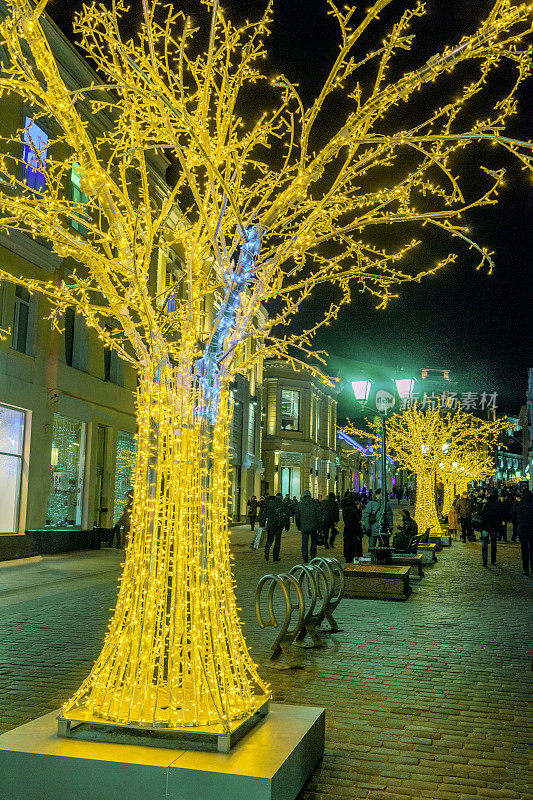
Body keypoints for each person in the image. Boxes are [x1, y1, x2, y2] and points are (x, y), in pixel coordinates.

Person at [295, 490, 321, 563]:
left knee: (304, 543)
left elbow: (297, 516)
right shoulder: (314, 503)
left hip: (304, 527)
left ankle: (305, 558)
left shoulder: (300, 504)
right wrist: (320, 526)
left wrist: (298, 526)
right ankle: (313, 557)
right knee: (313, 543)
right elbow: (319, 515)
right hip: (314, 526)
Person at [264, 492, 288, 562]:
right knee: (277, 542)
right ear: (281, 498)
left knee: (270, 539)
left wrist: (262, 523)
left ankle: (267, 549)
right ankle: (275, 557)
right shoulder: (282, 505)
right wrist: (287, 526)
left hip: (270, 525)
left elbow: (265, 513)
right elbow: (286, 516)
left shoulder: (270, 504)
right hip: (279, 526)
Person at [342, 492, 363, 563]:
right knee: (353, 550)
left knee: (350, 550)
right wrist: (358, 510)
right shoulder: (350, 509)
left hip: (349, 531)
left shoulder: (347, 507)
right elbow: (357, 518)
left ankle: (350, 560)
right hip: (353, 531)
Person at [480, 491, 500, 566]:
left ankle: (485, 561)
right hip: (494, 527)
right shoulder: (497, 504)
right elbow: (499, 516)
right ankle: (493, 560)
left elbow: (481, 513)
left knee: (484, 544)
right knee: (494, 544)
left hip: (485, 526)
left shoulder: (485, 503)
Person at [517, 489, 533, 575]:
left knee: (524, 550)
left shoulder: (520, 505)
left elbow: (513, 513)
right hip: (531, 530)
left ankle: (525, 569)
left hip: (523, 530)